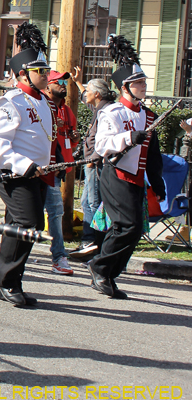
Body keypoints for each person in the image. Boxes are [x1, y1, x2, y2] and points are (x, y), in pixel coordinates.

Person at [0, 22, 56, 307]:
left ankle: (9, 281)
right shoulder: (9, 102)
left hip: (35, 174)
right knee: (29, 224)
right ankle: (6, 280)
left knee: (21, 225)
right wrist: (24, 165)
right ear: (24, 74)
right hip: (14, 173)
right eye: (42, 71)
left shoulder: (41, 102)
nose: (47, 75)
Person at [88, 35, 164, 299]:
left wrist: (158, 181)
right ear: (125, 88)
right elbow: (102, 145)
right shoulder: (112, 113)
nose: (144, 86)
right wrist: (129, 137)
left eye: (143, 81)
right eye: (139, 83)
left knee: (134, 230)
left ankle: (107, 274)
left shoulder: (149, 115)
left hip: (137, 178)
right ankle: (100, 268)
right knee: (127, 226)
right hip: (116, 174)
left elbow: (152, 154)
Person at [70, 76, 114, 261]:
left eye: (88, 91)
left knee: (94, 203)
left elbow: (105, 138)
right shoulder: (99, 107)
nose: (85, 94)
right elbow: (86, 100)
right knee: (87, 201)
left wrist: (93, 159)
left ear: (97, 94)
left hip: (95, 164)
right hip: (91, 162)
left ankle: (94, 241)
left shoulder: (106, 110)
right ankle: (90, 240)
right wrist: (79, 82)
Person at [41, 70, 80, 276]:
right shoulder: (40, 106)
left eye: (65, 81)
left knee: (55, 212)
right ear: (48, 86)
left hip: (57, 169)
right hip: (38, 168)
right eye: (59, 82)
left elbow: (71, 141)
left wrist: (74, 137)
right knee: (29, 214)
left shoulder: (66, 110)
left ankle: (59, 257)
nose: (64, 85)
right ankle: (6, 239)